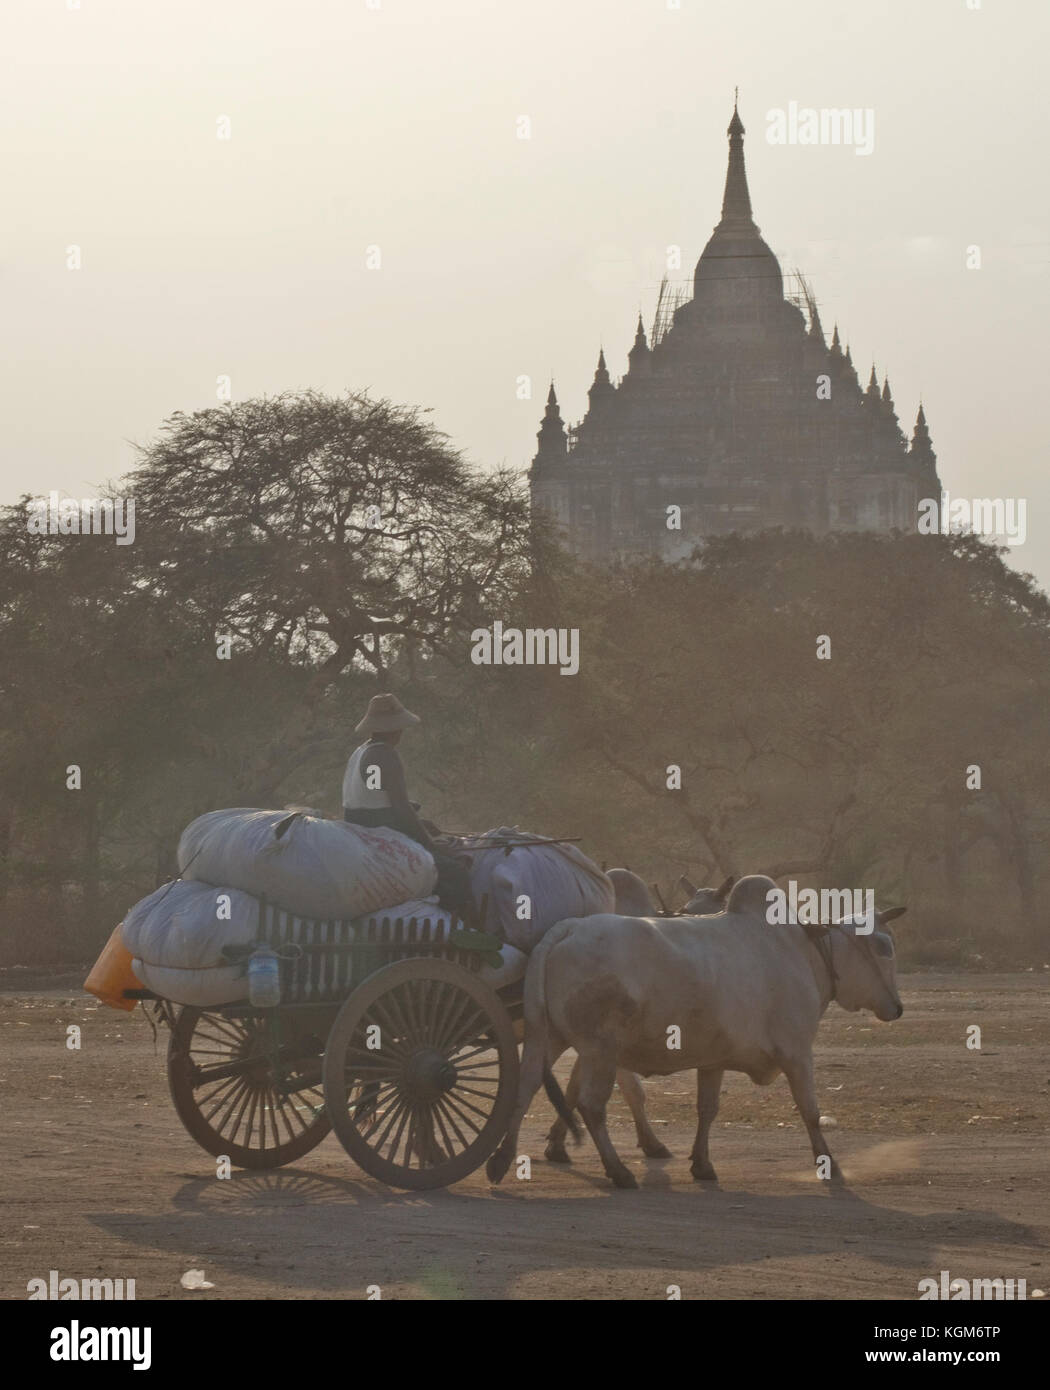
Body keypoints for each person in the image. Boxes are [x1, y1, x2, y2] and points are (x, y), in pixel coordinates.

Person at [342, 694, 473, 917]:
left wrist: (420, 821)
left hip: (362, 827)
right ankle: (450, 928)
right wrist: (432, 845)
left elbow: (374, 801)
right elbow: (401, 810)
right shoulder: (385, 755)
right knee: (458, 872)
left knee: (430, 832)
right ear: (396, 728)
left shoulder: (361, 750)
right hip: (380, 834)